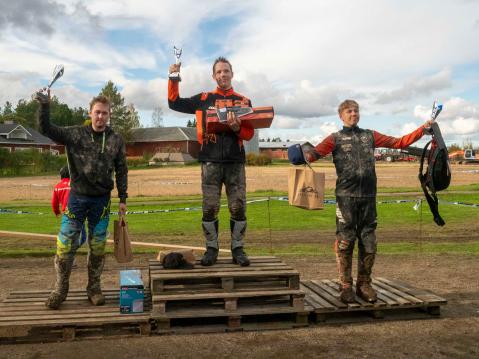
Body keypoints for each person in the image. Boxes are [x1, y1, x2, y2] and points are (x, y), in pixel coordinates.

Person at [304, 99, 433, 303]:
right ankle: (345, 286)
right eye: (349, 111)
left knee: (369, 242)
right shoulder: (334, 138)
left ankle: (364, 284)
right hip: (346, 198)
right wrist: (297, 154)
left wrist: (422, 129)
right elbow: (311, 156)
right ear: (341, 116)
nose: (353, 114)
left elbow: (400, 142)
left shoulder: (369, 135)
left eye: (356, 111)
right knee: (345, 242)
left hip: (368, 198)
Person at [34, 91, 128, 309]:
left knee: (97, 247)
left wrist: (123, 197)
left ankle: (94, 289)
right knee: (64, 245)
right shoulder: (75, 134)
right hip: (76, 199)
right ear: (90, 113)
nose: (101, 117)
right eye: (97, 112)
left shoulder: (115, 139)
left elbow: (122, 170)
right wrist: (45, 106)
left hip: (102, 202)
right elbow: (46, 129)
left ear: (109, 115)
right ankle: (60, 289)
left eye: (105, 113)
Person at [168, 57, 254, 266]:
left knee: (238, 207)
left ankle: (238, 249)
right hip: (210, 163)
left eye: (226, 71)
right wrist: (173, 77)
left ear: (232, 74)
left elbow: (249, 133)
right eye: (219, 72)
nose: (223, 75)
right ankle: (212, 249)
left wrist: (237, 129)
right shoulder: (203, 99)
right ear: (213, 76)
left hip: (235, 162)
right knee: (209, 208)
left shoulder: (244, 101)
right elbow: (174, 103)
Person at [52, 166, 87, 249]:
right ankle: (70, 252)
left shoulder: (58, 186)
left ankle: (66, 253)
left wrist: (57, 212)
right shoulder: (76, 184)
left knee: (67, 236)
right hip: (78, 214)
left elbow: (54, 202)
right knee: (82, 238)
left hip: (66, 215)